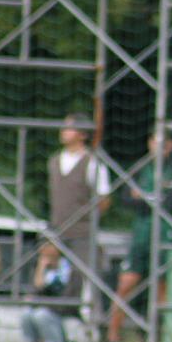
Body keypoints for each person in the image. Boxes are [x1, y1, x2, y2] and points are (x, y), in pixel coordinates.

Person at [103, 134, 172, 342]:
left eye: (164, 143)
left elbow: (171, 202)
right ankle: (112, 339)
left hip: (164, 238)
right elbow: (126, 199)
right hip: (141, 238)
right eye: (155, 141)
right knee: (126, 284)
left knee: (162, 291)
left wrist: (144, 197)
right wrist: (150, 198)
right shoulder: (139, 169)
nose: (159, 146)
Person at [48, 114, 111, 298]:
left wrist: (86, 218)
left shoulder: (92, 162)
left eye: (70, 128)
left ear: (82, 134)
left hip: (82, 233)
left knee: (85, 278)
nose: (64, 131)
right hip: (57, 230)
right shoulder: (54, 161)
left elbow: (104, 199)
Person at [20, 243, 73, 342]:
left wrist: (46, 305)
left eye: (49, 246)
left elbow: (67, 295)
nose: (45, 249)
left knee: (42, 315)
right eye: (43, 246)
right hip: (44, 308)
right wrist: (41, 267)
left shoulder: (69, 268)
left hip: (63, 311)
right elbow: (36, 289)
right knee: (26, 315)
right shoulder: (39, 268)